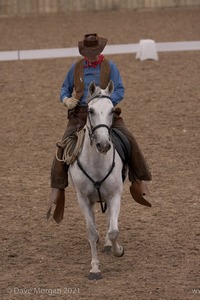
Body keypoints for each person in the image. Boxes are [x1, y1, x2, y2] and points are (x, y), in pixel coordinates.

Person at [47, 33, 152, 223]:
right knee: (62, 147)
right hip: (80, 115)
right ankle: (57, 189)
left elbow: (119, 89)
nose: (91, 55)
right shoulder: (76, 67)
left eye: (94, 52)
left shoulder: (110, 67)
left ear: (100, 51)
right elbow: (64, 88)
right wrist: (66, 100)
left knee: (129, 139)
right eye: (88, 52)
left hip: (105, 113)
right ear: (84, 52)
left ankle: (139, 180)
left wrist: (105, 103)